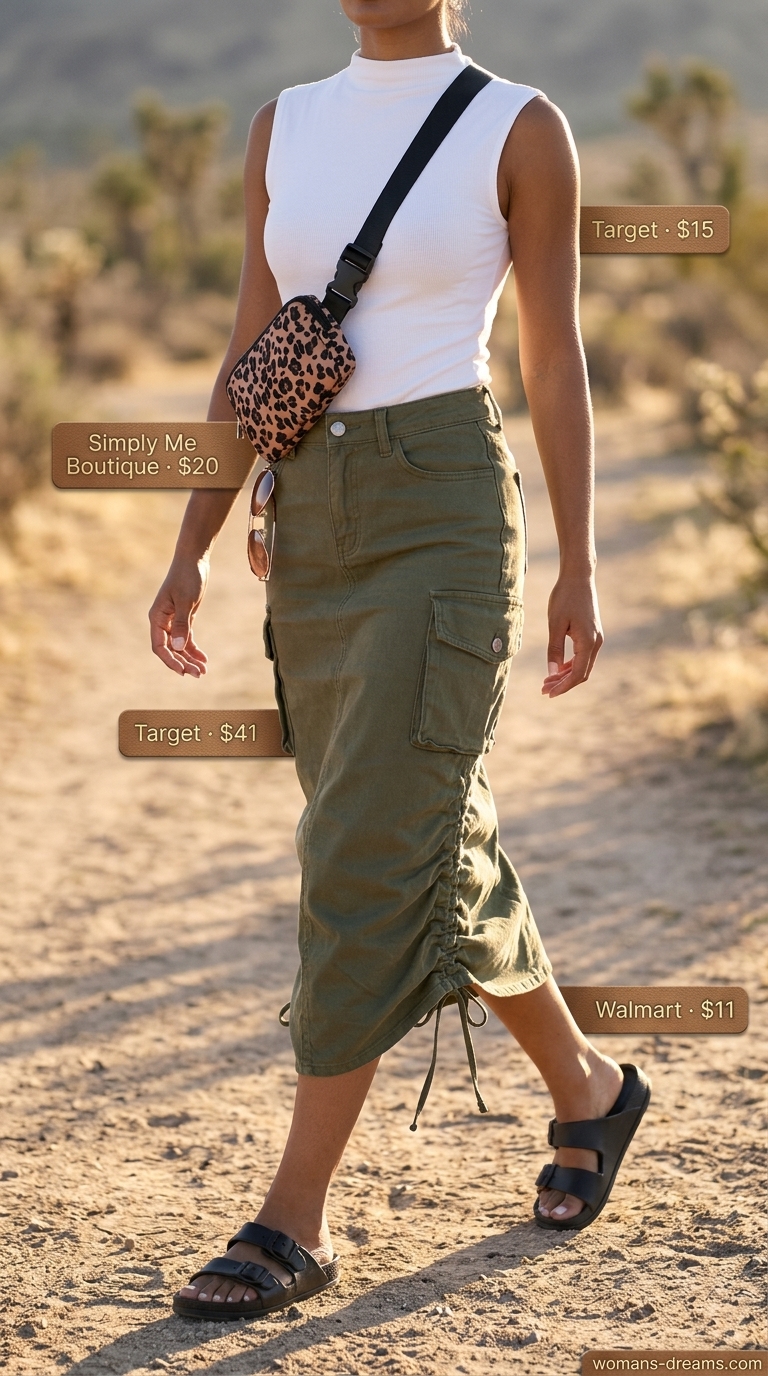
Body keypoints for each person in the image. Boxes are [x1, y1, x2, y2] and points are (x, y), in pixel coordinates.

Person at [149, 0, 650, 1322]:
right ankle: (594, 1093)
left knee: (367, 840)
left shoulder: (519, 126)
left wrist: (580, 565)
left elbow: (553, 357)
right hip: (311, 516)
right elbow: (251, 354)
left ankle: (290, 1217)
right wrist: (191, 539)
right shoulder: (285, 128)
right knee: (426, 824)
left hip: (442, 513)